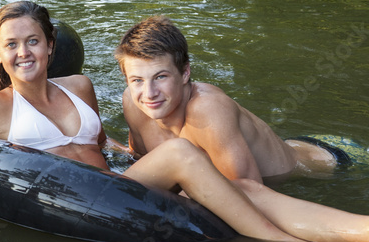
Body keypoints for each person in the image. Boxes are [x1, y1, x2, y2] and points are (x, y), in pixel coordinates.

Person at [0, 1, 369, 242]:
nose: (24, 53)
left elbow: (109, 146)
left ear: (49, 46)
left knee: (193, 159)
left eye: (33, 41)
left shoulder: (80, 86)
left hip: (125, 185)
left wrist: (137, 155)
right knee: (186, 155)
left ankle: (325, 222)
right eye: (11, 45)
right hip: (86, 195)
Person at [115, 16, 369, 182]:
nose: (149, 93)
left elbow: (249, 190)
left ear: (185, 73)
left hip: (332, 161)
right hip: (289, 145)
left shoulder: (206, 108)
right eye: (137, 80)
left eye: (160, 77)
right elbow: (139, 158)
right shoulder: (134, 103)